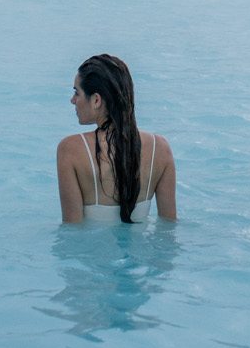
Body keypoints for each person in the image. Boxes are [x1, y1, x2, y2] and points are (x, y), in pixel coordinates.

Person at [57, 53, 176, 223]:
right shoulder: (161, 148)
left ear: (96, 100)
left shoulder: (70, 150)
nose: (72, 100)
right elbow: (169, 227)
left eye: (77, 93)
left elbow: (72, 229)